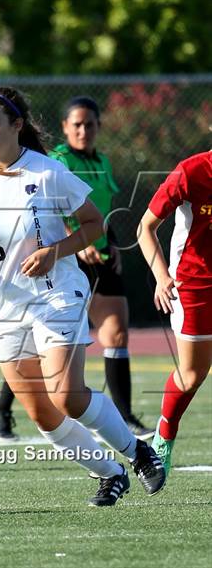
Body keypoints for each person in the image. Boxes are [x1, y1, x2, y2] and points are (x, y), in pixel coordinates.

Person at [0, 86, 165, 506]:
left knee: (66, 395)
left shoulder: (46, 172)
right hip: (3, 307)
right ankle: (108, 473)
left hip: (56, 294)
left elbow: (93, 225)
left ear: (16, 125)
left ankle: (137, 452)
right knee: (41, 414)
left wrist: (53, 251)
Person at [0, 96, 154, 441]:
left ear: (98, 127)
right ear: (64, 127)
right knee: (38, 345)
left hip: (101, 256)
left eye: (90, 124)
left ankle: (124, 416)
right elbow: (46, 210)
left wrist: (111, 243)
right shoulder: (55, 161)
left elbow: (99, 211)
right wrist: (81, 242)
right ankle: (2, 406)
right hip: (65, 259)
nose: (83, 130)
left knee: (117, 333)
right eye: (76, 124)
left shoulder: (101, 161)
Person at [137, 151, 212, 476]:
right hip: (194, 283)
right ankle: (165, 433)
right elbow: (145, 227)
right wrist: (162, 276)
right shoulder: (191, 172)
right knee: (193, 374)